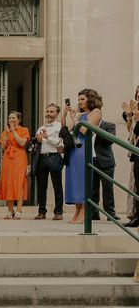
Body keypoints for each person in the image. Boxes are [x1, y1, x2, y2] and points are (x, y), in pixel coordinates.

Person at [63, 88, 103, 224]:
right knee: (74, 180)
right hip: (73, 150)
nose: (79, 102)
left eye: (82, 99)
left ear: (90, 99)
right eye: (78, 99)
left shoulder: (96, 112)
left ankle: (85, 212)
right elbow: (66, 129)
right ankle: (77, 211)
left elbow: (86, 130)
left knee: (82, 180)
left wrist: (76, 121)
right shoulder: (79, 114)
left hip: (83, 150)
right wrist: (65, 115)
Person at [33, 104, 63, 220]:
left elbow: (60, 144)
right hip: (41, 157)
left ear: (57, 113)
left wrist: (47, 138)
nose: (49, 113)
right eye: (47, 111)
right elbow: (37, 142)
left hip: (54, 156)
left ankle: (58, 212)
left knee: (57, 185)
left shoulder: (60, 127)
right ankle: (42, 211)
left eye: (51, 111)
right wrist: (38, 139)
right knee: (41, 186)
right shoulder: (41, 127)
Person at [0, 111, 29, 219]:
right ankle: (10, 210)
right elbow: (3, 146)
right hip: (8, 158)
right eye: (10, 118)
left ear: (18, 120)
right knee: (8, 183)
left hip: (19, 158)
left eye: (14, 118)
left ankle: (19, 210)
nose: (11, 120)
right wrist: (7, 133)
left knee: (19, 183)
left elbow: (22, 143)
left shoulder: (24, 130)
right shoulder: (5, 132)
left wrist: (13, 131)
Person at [91, 120, 118, 220]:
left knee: (108, 188)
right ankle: (94, 213)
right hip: (91, 161)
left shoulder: (109, 125)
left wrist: (96, 130)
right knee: (92, 188)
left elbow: (110, 140)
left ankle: (110, 213)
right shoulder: (86, 125)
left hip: (105, 160)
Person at [122, 86, 139, 227]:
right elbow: (131, 130)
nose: (138, 94)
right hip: (135, 151)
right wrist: (129, 115)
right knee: (136, 185)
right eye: (137, 91)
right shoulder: (135, 110)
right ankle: (136, 215)